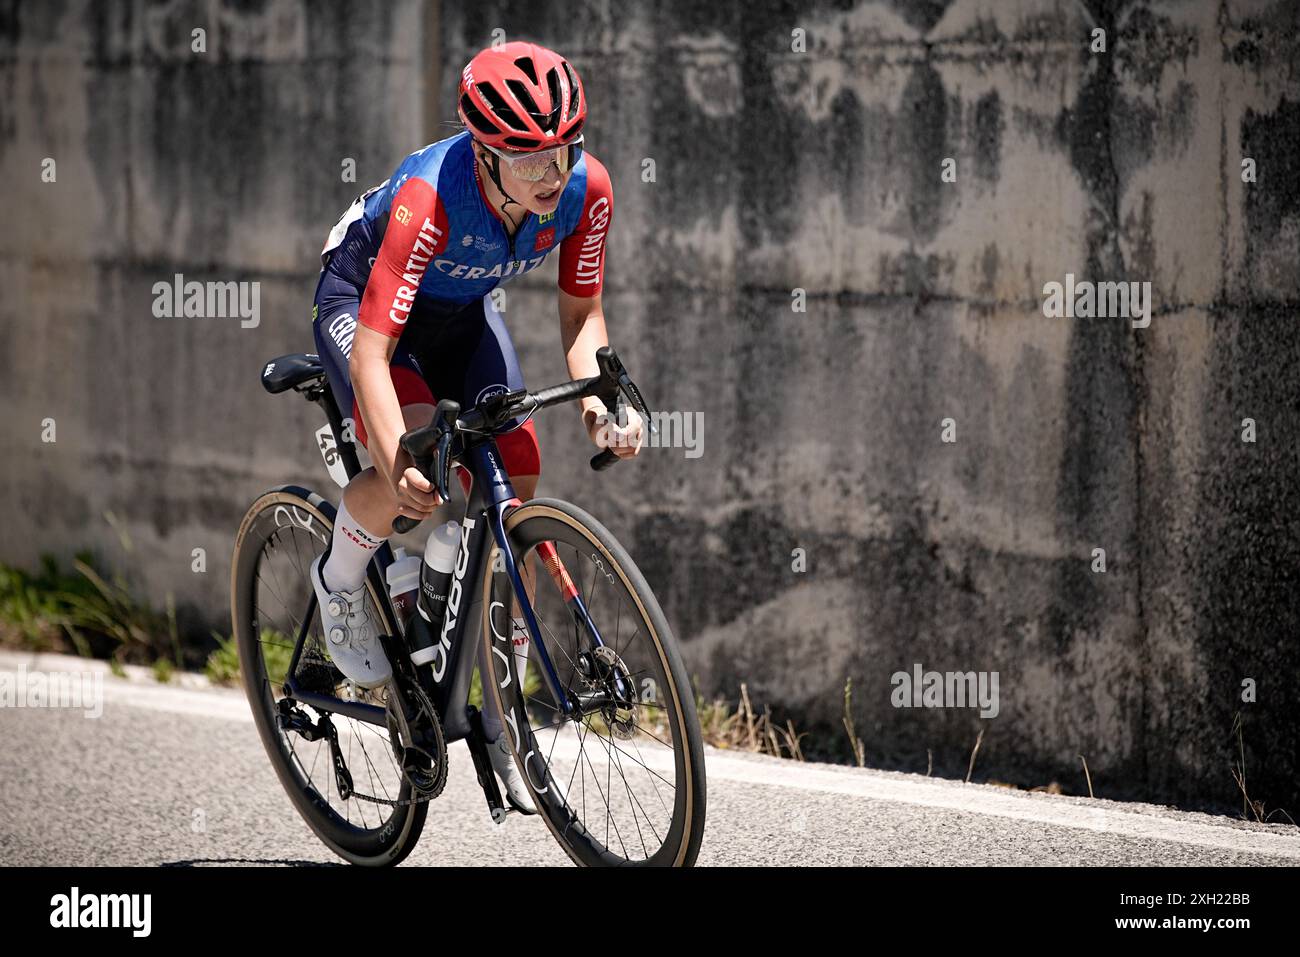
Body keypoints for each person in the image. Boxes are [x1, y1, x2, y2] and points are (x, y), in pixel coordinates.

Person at [308, 41, 643, 813]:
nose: (550, 175)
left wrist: (600, 399)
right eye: (527, 161)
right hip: (364, 305)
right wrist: (397, 456)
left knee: (516, 464)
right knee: (412, 467)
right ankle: (338, 582)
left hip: (457, 312)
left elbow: (582, 312)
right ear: (485, 155)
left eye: (562, 151)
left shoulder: (586, 191)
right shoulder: (433, 197)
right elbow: (374, 352)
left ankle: (501, 690)